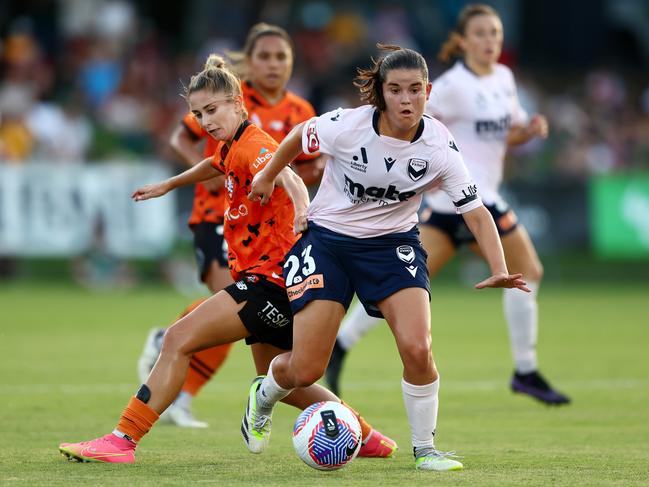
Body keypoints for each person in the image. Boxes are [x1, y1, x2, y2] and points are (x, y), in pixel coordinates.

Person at [59, 56, 395, 464]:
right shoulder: (233, 144)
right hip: (281, 281)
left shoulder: (254, 145)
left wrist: (303, 209)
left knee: (178, 340)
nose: (205, 120)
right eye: (199, 114)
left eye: (213, 110)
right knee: (283, 381)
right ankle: (367, 436)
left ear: (238, 102)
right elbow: (213, 163)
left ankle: (122, 440)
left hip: (268, 281)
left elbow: (286, 174)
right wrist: (169, 183)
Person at [241, 44, 530, 472]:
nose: (407, 99)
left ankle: (426, 449)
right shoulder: (346, 126)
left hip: (392, 246)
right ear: (380, 92)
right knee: (304, 369)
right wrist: (266, 175)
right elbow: (300, 136)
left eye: (415, 90)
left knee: (418, 347)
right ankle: (263, 395)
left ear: (428, 91)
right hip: (328, 243)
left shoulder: (439, 146)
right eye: (396, 90)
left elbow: (476, 211)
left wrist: (499, 268)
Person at [325, 5, 571, 407]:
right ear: (462, 41)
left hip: (482, 200)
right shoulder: (452, 86)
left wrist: (526, 133)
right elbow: (411, 128)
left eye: (495, 33)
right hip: (445, 204)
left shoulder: (504, 80)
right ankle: (341, 344)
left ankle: (525, 371)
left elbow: (497, 138)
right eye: (481, 34)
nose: (490, 41)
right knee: (394, 291)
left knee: (528, 273)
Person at [137, 23, 324, 428]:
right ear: (249, 65)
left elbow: (299, 172)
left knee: (255, 349)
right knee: (230, 319)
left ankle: (173, 356)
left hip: (270, 249)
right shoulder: (227, 102)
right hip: (219, 218)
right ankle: (177, 381)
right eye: (264, 56)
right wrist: (177, 182)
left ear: (291, 62)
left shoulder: (298, 112)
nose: (273, 64)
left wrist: (302, 195)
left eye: (281, 56)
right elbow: (198, 148)